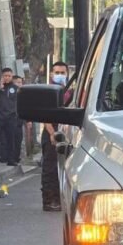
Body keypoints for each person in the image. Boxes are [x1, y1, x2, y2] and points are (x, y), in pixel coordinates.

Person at [41, 61, 72, 212]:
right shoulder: (48, 92)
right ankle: (49, 200)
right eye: (57, 73)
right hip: (51, 133)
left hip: (68, 132)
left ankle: (62, 199)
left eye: (62, 73)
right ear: (52, 74)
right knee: (51, 168)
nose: (60, 75)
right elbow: (45, 115)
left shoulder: (71, 92)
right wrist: (52, 133)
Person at [0, 67, 19, 166]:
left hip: (10, 117)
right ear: (2, 76)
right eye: (5, 76)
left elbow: (18, 101)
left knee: (11, 139)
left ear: (12, 76)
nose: (7, 78)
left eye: (9, 76)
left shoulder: (15, 88)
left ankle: (11, 159)